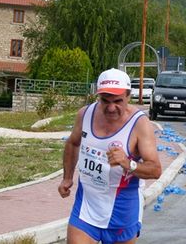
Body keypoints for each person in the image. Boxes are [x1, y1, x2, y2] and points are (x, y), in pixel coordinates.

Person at [58, 68, 162, 244]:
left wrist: (128, 163)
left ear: (128, 96)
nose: (111, 108)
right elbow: (72, 143)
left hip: (122, 209)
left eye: (118, 101)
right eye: (105, 101)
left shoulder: (140, 124)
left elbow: (156, 169)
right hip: (87, 205)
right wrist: (67, 178)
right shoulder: (85, 114)